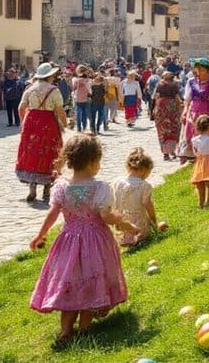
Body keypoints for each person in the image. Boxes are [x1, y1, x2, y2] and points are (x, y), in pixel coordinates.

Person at [28, 134, 139, 344]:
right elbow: (106, 216)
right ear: (92, 161)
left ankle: (65, 332)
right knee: (89, 285)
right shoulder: (100, 188)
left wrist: (40, 234)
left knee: (71, 283)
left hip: (68, 242)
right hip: (96, 242)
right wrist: (126, 225)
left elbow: (52, 213)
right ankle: (84, 329)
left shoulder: (61, 186)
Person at [16, 63, 67, 203]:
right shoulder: (54, 90)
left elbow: (21, 107)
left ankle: (32, 187)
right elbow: (59, 109)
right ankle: (46, 189)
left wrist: (23, 122)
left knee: (32, 152)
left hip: (31, 122)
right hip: (48, 122)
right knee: (49, 151)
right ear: (50, 76)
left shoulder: (30, 89)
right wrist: (64, 122)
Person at [176, 58, 209, 164]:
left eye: (201, 69)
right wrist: (185, 111)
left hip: (208, 113)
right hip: (194, 113)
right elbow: (187, 99)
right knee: (192, 135)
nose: (198, 72)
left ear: (207, 70)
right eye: (197, 69)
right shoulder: (191, 82)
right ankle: (194, 158)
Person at [112, 147, 161, 246]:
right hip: (137, 222)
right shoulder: (144, 185)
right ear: (144, 170)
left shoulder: (117, 182)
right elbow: (147, 204)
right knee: (145, 229)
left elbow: (113, 201)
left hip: (121, 222)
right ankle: (138, 237)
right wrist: (153, 220)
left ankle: (124, 239)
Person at [151, 71, 183, 161]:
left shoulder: (159, 85)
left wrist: (154, 109)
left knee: (162, 131)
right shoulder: (174, 85)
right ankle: (172, 151)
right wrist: (180, 110)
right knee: (173, 130)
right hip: (172, 109)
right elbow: (177, 98)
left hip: (161, 109)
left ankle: (165, 153)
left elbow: (154, 97)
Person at [71, 67, 92, 133]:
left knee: (78, 114)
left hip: (77, 98)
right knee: (84, 114)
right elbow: (89, 90)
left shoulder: (75, 79)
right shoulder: (87, 80)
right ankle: (84, 127)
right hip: (85, 98)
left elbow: (73, 88)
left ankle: (79, 128)